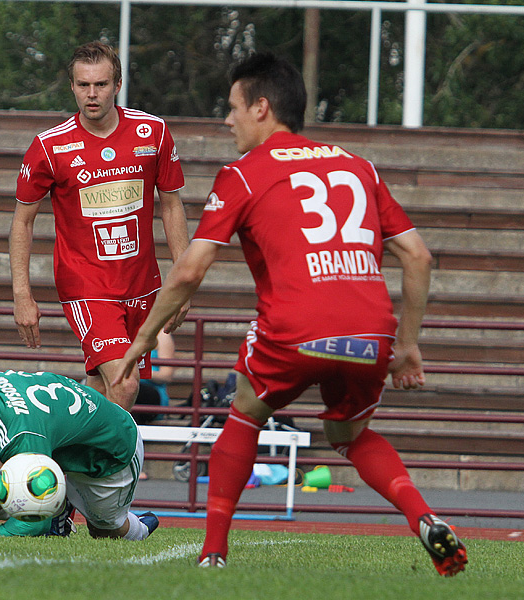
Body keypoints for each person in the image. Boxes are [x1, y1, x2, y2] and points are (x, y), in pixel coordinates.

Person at [113, 51, 468, 576]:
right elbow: (418, 256)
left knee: (244, 412)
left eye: (233, 107)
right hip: (371, 334)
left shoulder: (244, 173)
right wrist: (408, 344)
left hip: (295, 332)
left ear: (262, 107)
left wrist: (142, 341)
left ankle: (213, 552)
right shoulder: (359, 166)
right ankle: (425, 517)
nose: (227, 120)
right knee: (350, 437)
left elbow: (189, 272)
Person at [9, 41, 190, 411]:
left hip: (141, 282)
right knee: (124, 386)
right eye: (83, 85)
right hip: (86, 283)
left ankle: (68, 449)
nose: (92, 94)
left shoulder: (152, 132)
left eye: (101, 84)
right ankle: (119, 471)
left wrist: (183, 282)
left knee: (100, 387)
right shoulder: (50, 146)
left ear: (118, 84)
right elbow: (22, 222)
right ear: (72, 86)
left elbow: (171, 205)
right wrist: (21, 292)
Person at [0, 346, 159, 540]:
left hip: (110, 453)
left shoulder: (22, 433)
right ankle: (58, 513)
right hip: (55, 441)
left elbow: (32, 526)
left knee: (106, 531)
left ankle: (141, 526)